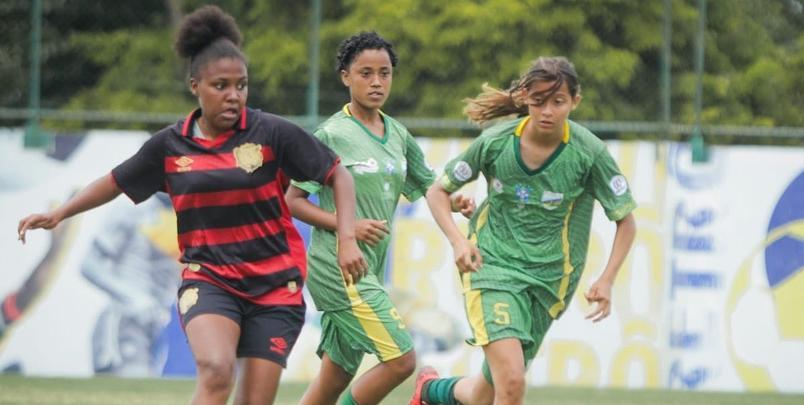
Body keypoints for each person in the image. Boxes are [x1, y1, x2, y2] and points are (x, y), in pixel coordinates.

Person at [17, 5, 365, 405]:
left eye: (242, 85)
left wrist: (347, 238)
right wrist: (60, 213)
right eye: (221, 85)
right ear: (195, 85)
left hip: (276, 287)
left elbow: (338, 174)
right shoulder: (169, 145)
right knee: (216, 371)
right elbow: (114, 182)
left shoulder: (272, 132)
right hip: (210, 279)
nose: (234, 95)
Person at [411, 56, 638, 405]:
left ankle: (429, 392)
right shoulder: (496, 143)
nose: (548, 111)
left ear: (575, 101)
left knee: (486, 393)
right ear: (524, 99)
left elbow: (626, 220)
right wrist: (458, 241)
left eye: (558, 102)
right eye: (538, 101)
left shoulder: (589, 153)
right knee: (513, 383)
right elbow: (437, 190)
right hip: (492, 268)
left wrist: (607, 278)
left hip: (550, 283)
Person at [285, 32, 474, 405]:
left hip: (368, 267)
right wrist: (348, 227)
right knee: (403, 361)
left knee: (334, 376)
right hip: (337, 267)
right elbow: (293, 201)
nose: (376, 82)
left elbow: (428, 186)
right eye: (365, 73)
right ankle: (423, 396)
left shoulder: (398, 134)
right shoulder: (331, 134)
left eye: (384, 73)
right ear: (346, 77)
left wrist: (454, 202)